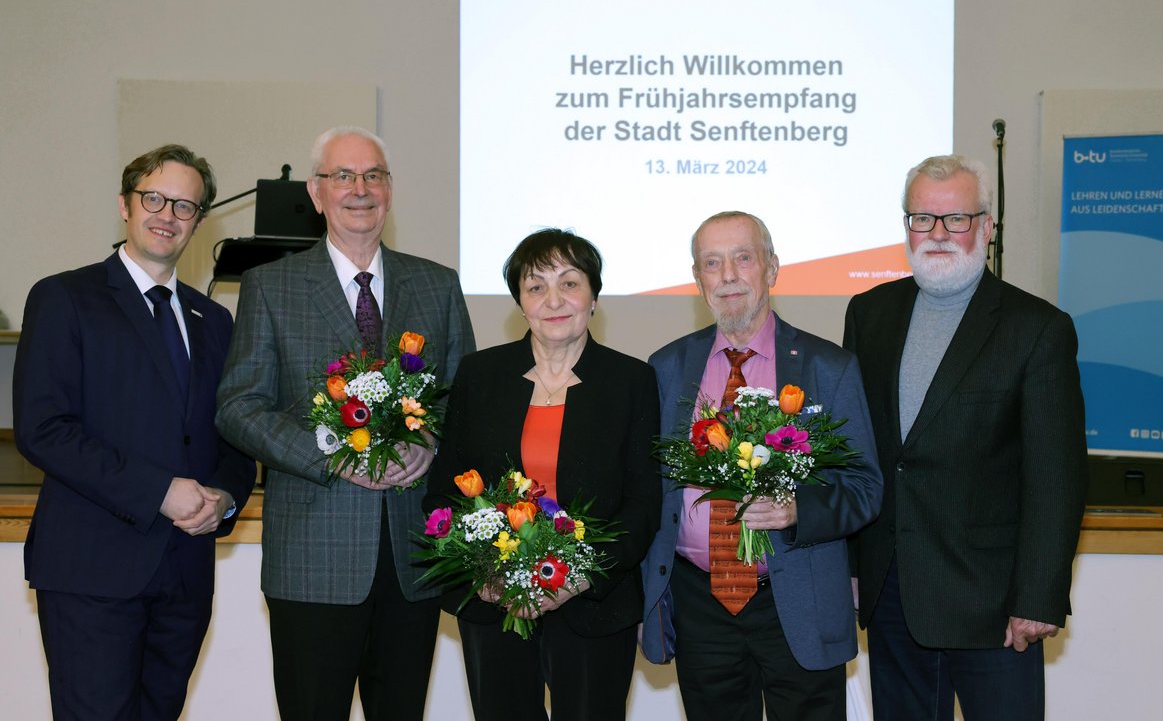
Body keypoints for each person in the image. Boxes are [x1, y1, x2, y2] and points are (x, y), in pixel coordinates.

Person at [215, 126, 475, 720]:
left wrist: (430, 443)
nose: (360, 189)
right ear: (315, 192)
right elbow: (238, 406)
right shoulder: (270, 286)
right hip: (313, 558)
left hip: (414, 556)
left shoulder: (437, 285)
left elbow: (463, 397)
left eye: (374, 176)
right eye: (344, 176)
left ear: (390, 190)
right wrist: (329, 451)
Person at [13, 144, 257, 720]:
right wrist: (159, 491)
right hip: (91, 571)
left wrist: (223, 498)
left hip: (185, 573)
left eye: (185, 206)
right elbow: (43, 429)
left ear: (199, 222)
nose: (167, 214)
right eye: (154, 198)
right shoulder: (64, 298)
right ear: (125, 204)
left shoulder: (215, 320)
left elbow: (233, 440)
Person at [843, 154, 1088, 720]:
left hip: (995, 605)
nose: (938, 234)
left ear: (986, 226)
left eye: (955, 219)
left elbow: (1057, 478)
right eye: (923, 219)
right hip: (893, 594)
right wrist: (853, 568)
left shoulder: (1038, 329)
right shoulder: (870, 314)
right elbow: (859, 455)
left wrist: (1038, 597)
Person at [641, 211, 883, 720]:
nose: (728, 275)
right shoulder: (666, 368)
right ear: (697, 279)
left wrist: (799, 510)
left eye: (742, 258)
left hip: (796, 595)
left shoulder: (827, 367)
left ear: (771, 268)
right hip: (699, 602)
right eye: (712, 262)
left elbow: (865, 487)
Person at [423, 228, 661, 721]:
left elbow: (642, 505)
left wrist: (575, 580)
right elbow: (444, 492)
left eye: (569, 283)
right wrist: (485, 573)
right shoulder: (479, 374)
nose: (554, 300)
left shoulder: (631, 380)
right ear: (520, 302)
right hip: (494, 604)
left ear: (593, 296)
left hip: (594, 606)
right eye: (535, 286)